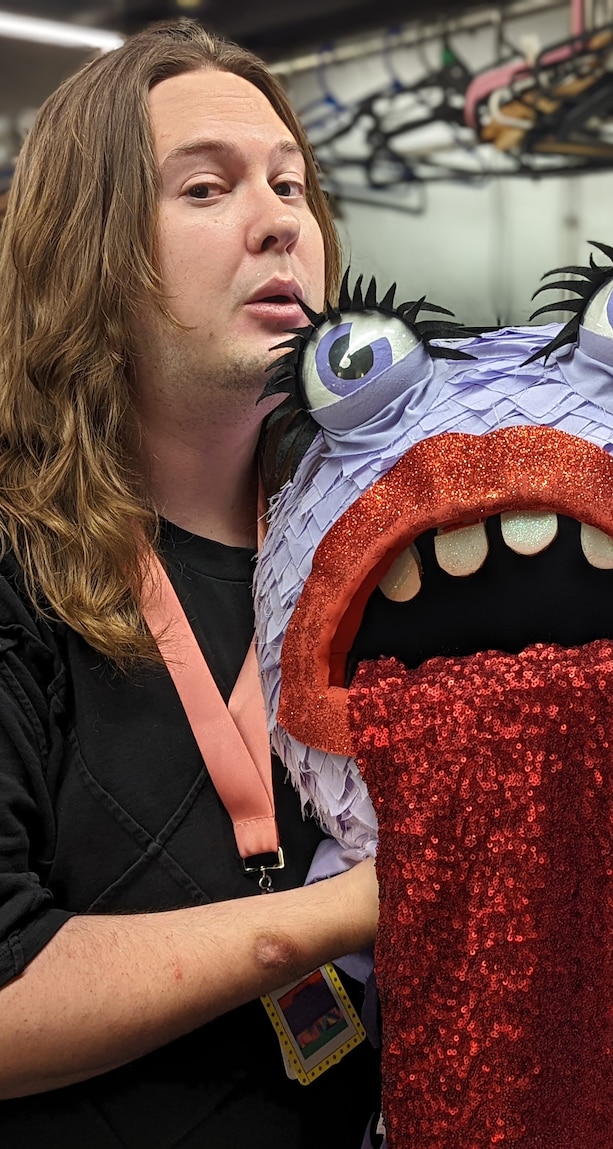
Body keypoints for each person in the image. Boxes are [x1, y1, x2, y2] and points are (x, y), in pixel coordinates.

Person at [0, 19, 381, 1148]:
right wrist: (352, 912)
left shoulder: (378, 550)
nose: (279, 224)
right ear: (92, 253)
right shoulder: (16, 566)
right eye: (206, 189)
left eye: (292, 185)